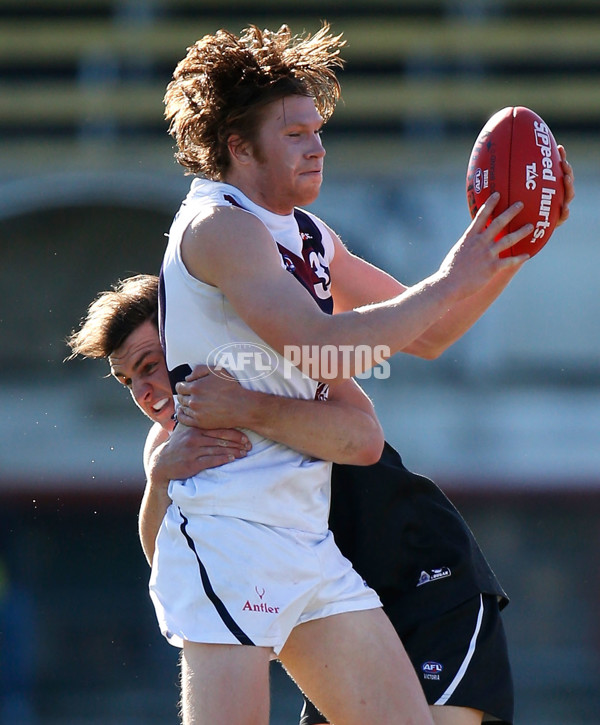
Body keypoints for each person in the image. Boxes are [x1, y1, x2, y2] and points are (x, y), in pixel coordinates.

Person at [155, 21, 574, 725]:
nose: (317, 145)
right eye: (294, 134)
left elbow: (431, 331)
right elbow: (323, 348)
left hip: (306, 535)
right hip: (229, 529)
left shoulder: (311, 235)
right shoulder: (218, 226)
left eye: (318, 129)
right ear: (236, 145)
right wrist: (450, 276)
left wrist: (509, 249)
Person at [67, 274, 514, 725]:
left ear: (183, 336)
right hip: (335, 598)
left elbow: (365, 437)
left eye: (149, 366)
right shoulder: (166, 446)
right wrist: (161, 477)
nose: (142, 393)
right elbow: (166, 557)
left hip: (425, 583)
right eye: (127, 381)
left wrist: (245, 406)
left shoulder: (274, 361)